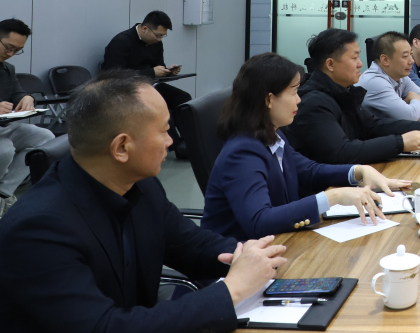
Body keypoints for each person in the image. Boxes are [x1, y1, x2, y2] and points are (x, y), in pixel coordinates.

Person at [0, 70, 287, 333]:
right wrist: (232, 289)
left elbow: (192, 245)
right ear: (122, 147)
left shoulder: (140, 185)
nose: (170, 141)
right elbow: (105, 327)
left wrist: (247, 255)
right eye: (164, 131)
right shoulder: (38, 229)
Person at [202, 53, 410, 240]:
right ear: (269, 99)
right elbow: (259, 221)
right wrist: (334, 196)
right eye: (294, 92)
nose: (299, 100)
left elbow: (309, 170)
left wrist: (358, 171)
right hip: (239, 259)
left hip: (282, 242)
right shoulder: (243, 152)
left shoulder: (272, 133)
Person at [285, 29, 420, 165]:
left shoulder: (344, 91)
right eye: (354, 58)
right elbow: (343, 152)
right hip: (328, 186)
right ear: (330, 64)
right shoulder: (314, 102)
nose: (360, 64)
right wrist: (400, 143)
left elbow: (372, 126)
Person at [102, 11, 191, 159]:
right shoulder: (121, 42)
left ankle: (189, 141)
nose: (159, 39)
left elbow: (158, 66)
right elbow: (114, 75)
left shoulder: (156, 43)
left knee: (183, 98)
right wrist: (151, 72)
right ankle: (176, 147)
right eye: (158, 35)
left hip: (150, 85)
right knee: (160, 106)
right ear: (145, 29)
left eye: (162, 36)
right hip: (127, 90)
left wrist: (167, 71)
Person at [0, 19, 55, 217]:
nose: (11, 54)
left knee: (45, 137)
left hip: (3, 128)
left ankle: (3, 193)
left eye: (17, 50)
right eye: (9, 48)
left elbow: (17, 93)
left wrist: (27, 98)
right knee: (5, 149)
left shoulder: (7, 69)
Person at [357, 31, 420, 121]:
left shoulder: (400, 76)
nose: (412, 61)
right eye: (405, 56)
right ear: (385, 60)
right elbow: (410, 116)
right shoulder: (375, 82)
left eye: (411, 54)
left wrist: (410, 108)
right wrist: (415, 99)